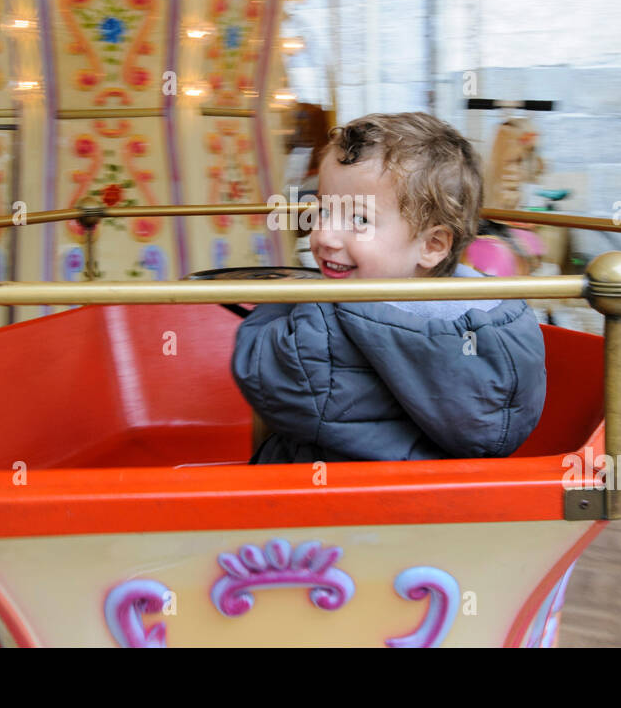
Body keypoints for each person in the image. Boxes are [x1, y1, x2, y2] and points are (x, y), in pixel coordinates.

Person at [232, 112, 546, 463]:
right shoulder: (500, 315)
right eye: (323, 210)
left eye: (359, 219)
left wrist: (284, 300)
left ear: (432, 245)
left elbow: (260, 370)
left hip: (327, 499)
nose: (324, 235)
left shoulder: (324, 328)